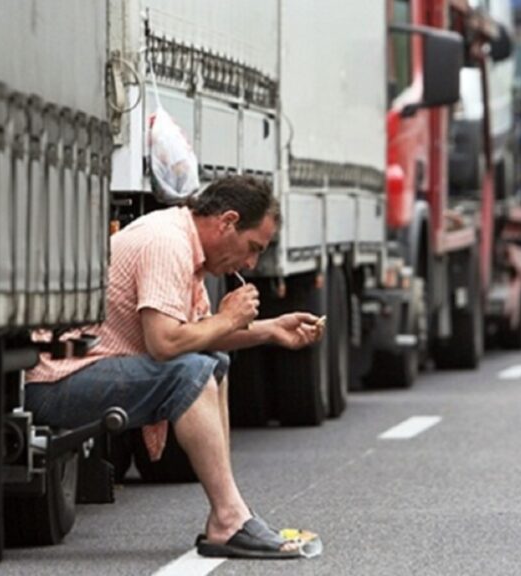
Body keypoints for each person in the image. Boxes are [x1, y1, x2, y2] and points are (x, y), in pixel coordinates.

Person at [25, 175, 325, 558]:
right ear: (227, 222)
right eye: (252, 248)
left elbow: (199, 336)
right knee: (190, 372)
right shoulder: (167, 241)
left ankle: (230, 510)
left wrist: (269, 331)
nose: (251, 263)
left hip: (82, 371)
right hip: (53, 381)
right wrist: (229, 318)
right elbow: (165, 342)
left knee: (212, 361)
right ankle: (229, 518)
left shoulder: (185, 243)